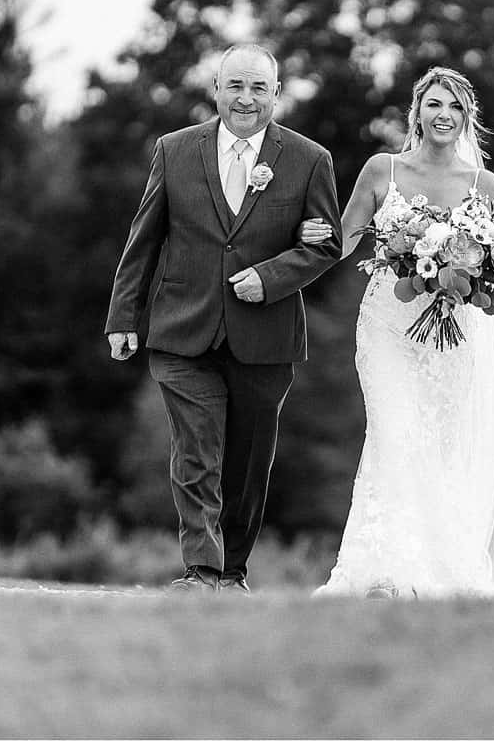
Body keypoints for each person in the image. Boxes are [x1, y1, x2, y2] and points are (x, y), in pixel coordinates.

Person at [105, 44, 342, 594]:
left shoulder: (310, 160)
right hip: (182, 329)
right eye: (235, 86)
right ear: (215, 90)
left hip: (266, 338)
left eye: (259, 88)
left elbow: (327, 244)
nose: (246, 99)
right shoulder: (174, 150)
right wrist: (123, 317)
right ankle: (201, 570)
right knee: (196, 450)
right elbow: (144, 240)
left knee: (247, 462)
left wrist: (273, 276)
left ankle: (232, 571)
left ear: (277, 95)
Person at [302, 66, 494, 600]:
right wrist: (301, 239)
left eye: (454, 107)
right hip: (388, 324)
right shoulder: (382, 169)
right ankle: (383, 570)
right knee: (396, 430)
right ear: (417, 112)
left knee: (441, 445)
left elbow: (493, 269)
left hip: (454, 334)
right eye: (434, 104)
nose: (443, 115)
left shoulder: (484, 185)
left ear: (466, 118)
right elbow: (343, 241)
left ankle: (432, 567)